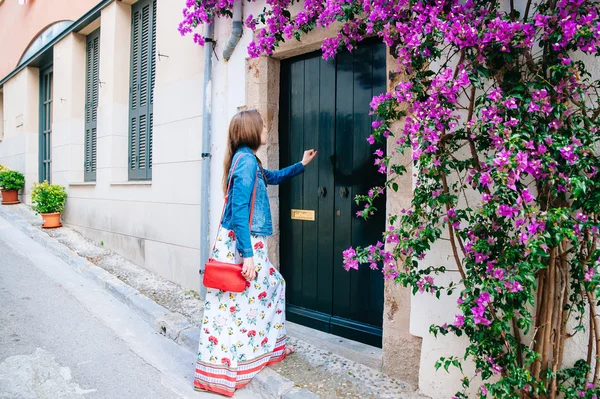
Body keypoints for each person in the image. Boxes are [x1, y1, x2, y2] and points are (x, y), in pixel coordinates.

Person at [194, 109, 317, 396]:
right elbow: (238, 210)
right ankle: (240, 363)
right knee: (248, 299)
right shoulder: (246, 161)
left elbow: (271, 177)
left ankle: (249, 357)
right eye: (262, 126)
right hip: (245, 244)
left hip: (244, 242)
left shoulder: (247, 160)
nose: (266, 130)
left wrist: (301, 164)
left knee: (244, 300)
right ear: (251, 131)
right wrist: (247, 254)